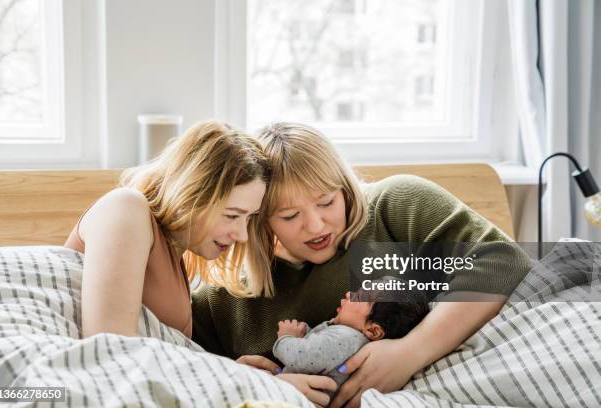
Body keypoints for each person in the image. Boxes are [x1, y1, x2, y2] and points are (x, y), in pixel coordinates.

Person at [192, 122, 531, 407]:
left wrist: (408, 353)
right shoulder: (223, 300)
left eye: (327, 201)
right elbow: (180, 369)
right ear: (259, 220)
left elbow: (502, 259)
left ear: (345, 189)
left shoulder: (393, 206)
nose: (316, 226)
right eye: (290, 215)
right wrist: (249, 381)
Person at [64, 120, 272, 339]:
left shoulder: (175, 258)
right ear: (193, 194)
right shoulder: (127, 208)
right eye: (231, 215)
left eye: (249, 217)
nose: (242, 235)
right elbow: (109, 345)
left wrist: (237, 368)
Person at [273, 283, 430, 396]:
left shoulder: (347, 339)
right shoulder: (349, 340)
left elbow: (302, 357)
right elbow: (320, 352)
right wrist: (304, 333)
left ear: (373, 331)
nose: (349, 294)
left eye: (359, 296)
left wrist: (287, 337)